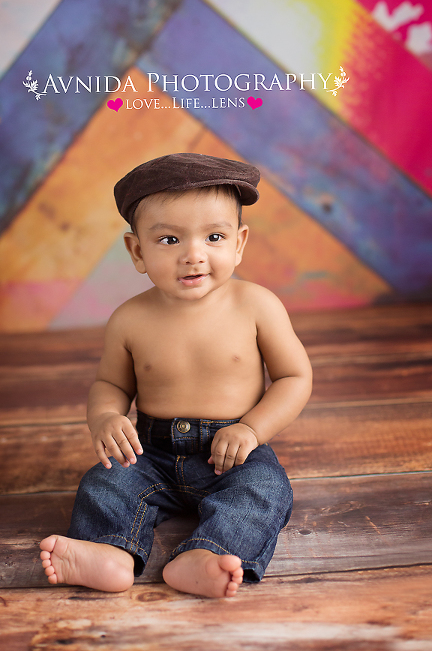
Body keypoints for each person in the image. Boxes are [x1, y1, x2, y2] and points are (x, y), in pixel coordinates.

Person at [40, 153, 312, 598]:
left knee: (264, 490)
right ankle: (108, 551)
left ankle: (206, 555)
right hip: (151, 452)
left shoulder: (258, 306)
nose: (194, 255)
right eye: (169, 239)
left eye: (214, 236)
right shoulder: (129, 319)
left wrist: (252, 429)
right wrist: (106, 418)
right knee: (105, 482)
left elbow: (294, 377)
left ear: (239, 243)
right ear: (137, 251)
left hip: (233, 452)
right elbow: (110, 385)